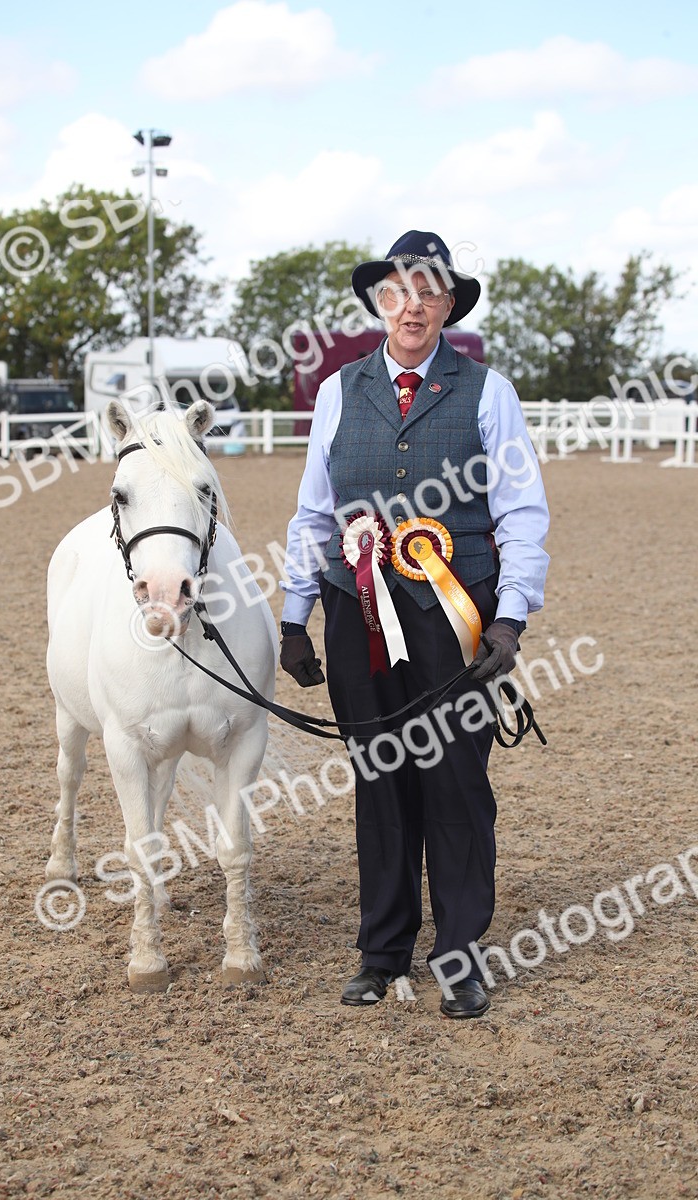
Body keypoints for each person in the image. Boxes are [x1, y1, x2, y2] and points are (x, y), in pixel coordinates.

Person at [279, 231, 550, 1018]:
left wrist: (509, 620)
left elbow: (523, 514)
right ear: (381, 302)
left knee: (457, 782)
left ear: (447, 307)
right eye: (401, 289)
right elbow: (312, 512)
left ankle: (459, 954)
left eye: (431, 291)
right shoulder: (337, 391)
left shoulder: (488, 391)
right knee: (379, 778)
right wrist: (296, 614)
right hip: (354, 614)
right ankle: (383, 950)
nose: (415, 304)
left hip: (456, 620)